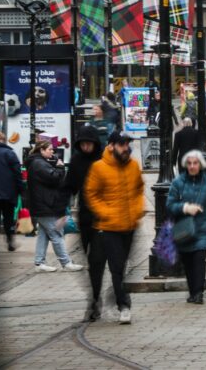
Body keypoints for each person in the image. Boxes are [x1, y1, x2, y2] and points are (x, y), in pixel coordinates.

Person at [85, 131, 145, 324]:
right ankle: (124, 305)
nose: (126, 148)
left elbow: (139, 189)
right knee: (117, 267)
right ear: (110, 146)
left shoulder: (134, 165)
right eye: (121, 144)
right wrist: (106, 213)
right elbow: (91, 194)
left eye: (127, 144)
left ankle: (119, 298)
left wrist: (137, 210)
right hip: (109, 227)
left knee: (123, 266)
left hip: (130, 225)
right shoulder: (99, 167)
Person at [166, 150, 206, 304]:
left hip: (203, 229)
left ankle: (199, 293)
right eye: (189, 163)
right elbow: (169, 204)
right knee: (188, 262)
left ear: (201, 165)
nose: (192, 166)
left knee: (199, 259)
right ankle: (193, 292)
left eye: (195, 163)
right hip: (185, 231)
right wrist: (185, 207)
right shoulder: (178, 182)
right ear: (185, 165)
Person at [25, 141, 83, 272]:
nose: (52, 152)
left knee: (44, 235)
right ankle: (66, 263)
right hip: (45, 205)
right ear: (41, 150)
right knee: (57, 234)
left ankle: (39, 263)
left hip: (42, 205)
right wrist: (60, 168)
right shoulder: (39, 164)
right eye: (50, 149)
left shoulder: (38, 163)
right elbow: (55, 178)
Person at [68, 125, 104, 255]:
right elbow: (70, 184)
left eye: (88, 144)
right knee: (86, 240)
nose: (86, 147)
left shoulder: (103, 159)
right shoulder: (76, 159)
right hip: (84, 208)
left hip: (103, 208)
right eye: (83, 144)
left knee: (99, 246)